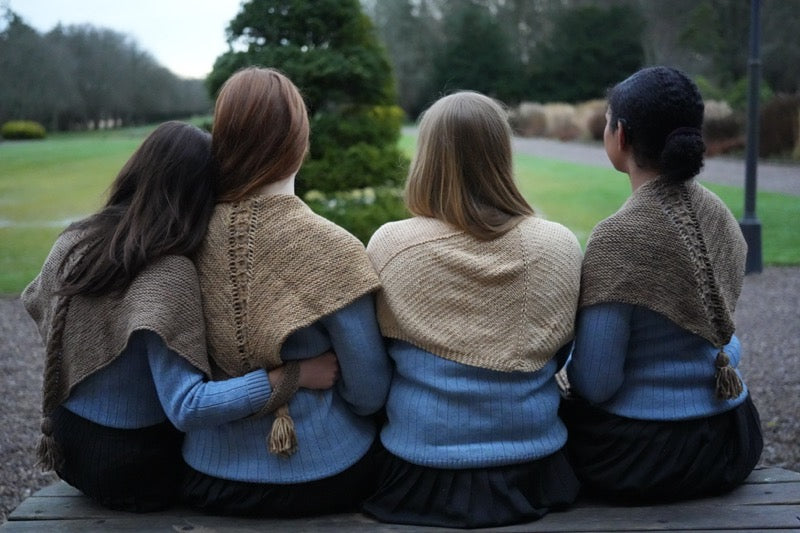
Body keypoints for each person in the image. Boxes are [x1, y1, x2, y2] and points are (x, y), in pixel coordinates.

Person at [22, 121, 338, 512]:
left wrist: (101, 369)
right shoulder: (168, 273)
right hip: (132, 469)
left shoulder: (76, 238)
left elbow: (34, 300)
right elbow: (189, 406)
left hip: (69, 442)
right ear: (199, 194)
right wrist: (293, 375)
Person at [158, 67, 392, 517]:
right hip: (326, 472)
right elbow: (369, 392)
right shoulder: (333, 248)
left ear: (222, 139)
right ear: (299, 144)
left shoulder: (180, 239)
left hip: (209, 476)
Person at [362, 91, 583, 528]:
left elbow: (372, 368)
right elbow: (562, 356)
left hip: (419, 472)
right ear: (502, 155)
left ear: (426, 158)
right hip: (537, 468)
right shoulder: (559, 245)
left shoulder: (390, 245)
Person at [561, 66, 763, 503]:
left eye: (610, 119)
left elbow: (596, 382)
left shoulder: (619, 237)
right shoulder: (719, 213)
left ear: (623, 136)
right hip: (734, 437)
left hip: (646, 454)